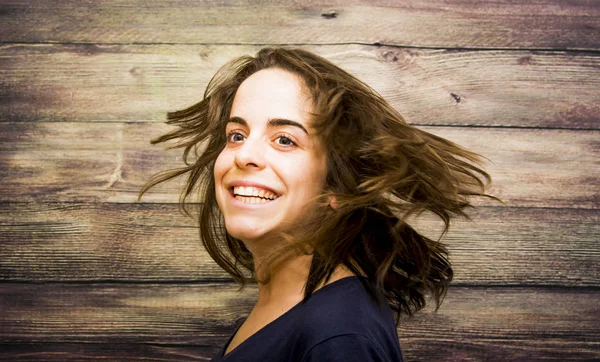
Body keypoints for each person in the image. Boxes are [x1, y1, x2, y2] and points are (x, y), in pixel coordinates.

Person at [139, 47, 498, 361]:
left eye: (284, 139)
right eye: (237, 135)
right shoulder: (291, 306)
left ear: (337, 187)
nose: (245, 154)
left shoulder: (340, 336)